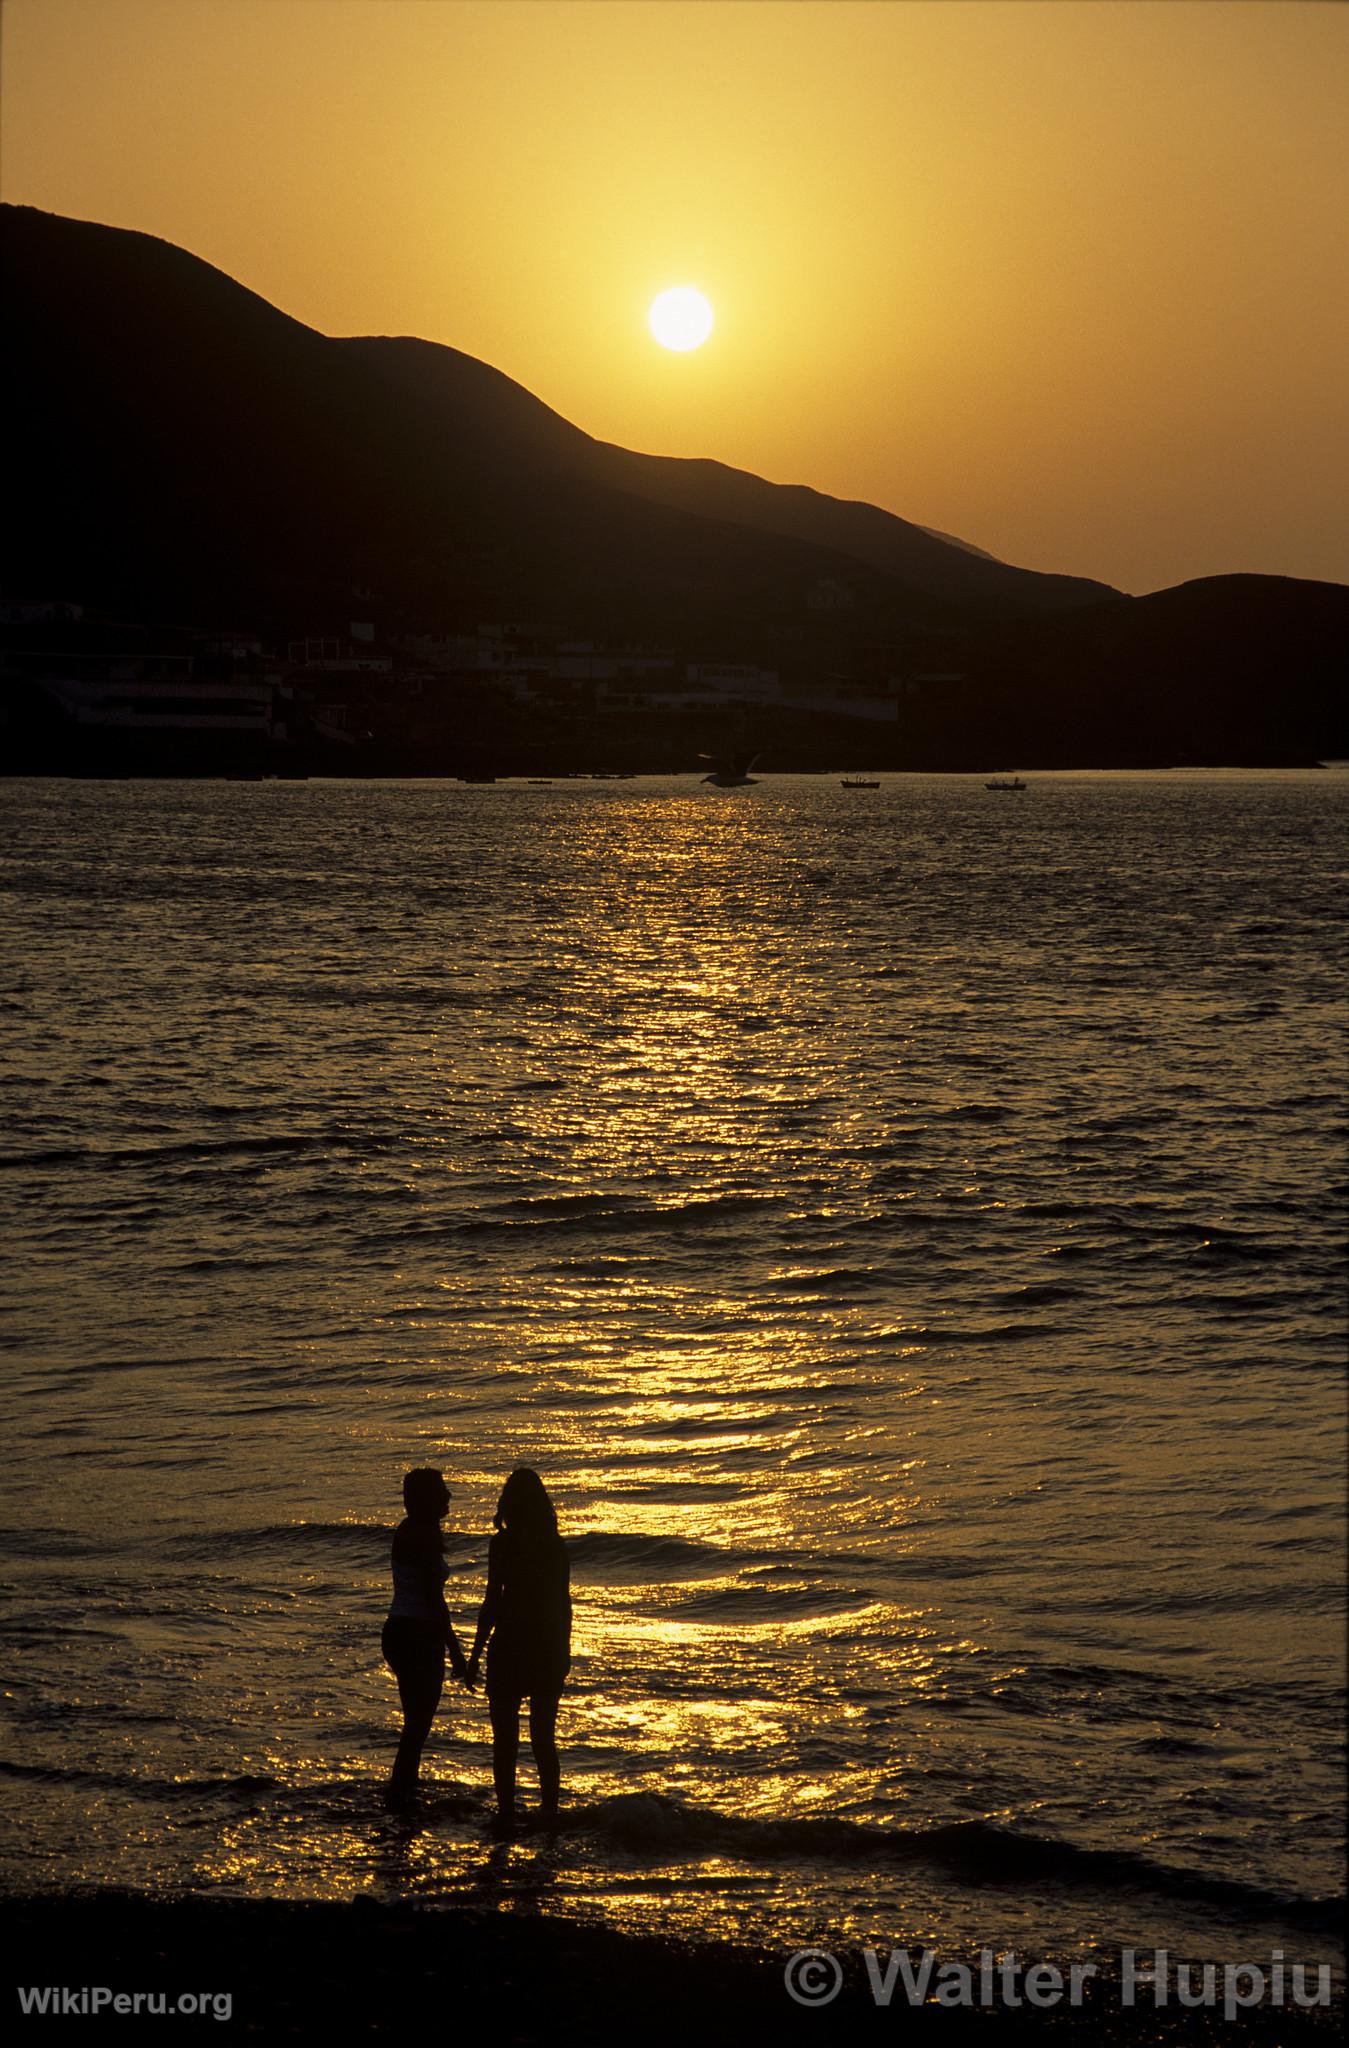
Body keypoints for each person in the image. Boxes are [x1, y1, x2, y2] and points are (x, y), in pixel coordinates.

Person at [467, 1467, 571, 1824]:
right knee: (544, 1740)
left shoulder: (503, 1544)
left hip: (509, 1646)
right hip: (545, 1647)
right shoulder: (556, 1546)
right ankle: (549, 1814)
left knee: (505, 1743)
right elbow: (563, 1604)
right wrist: (564, 1651)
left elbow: (492, 1602)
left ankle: (506, 1814)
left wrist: (474, 1655)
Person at [381, 1467, 472, 1806]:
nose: (449, 1496)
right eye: (442, 1490)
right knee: (418, 1725)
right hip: (418, 1635)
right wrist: (456, 1652)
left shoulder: (407, 1530)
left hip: (398, 1630)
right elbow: (435, 1601)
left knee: (414, 1725)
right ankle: (400, 1794)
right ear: (428, 1498)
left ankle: (403, 1791)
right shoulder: (425, 1537)